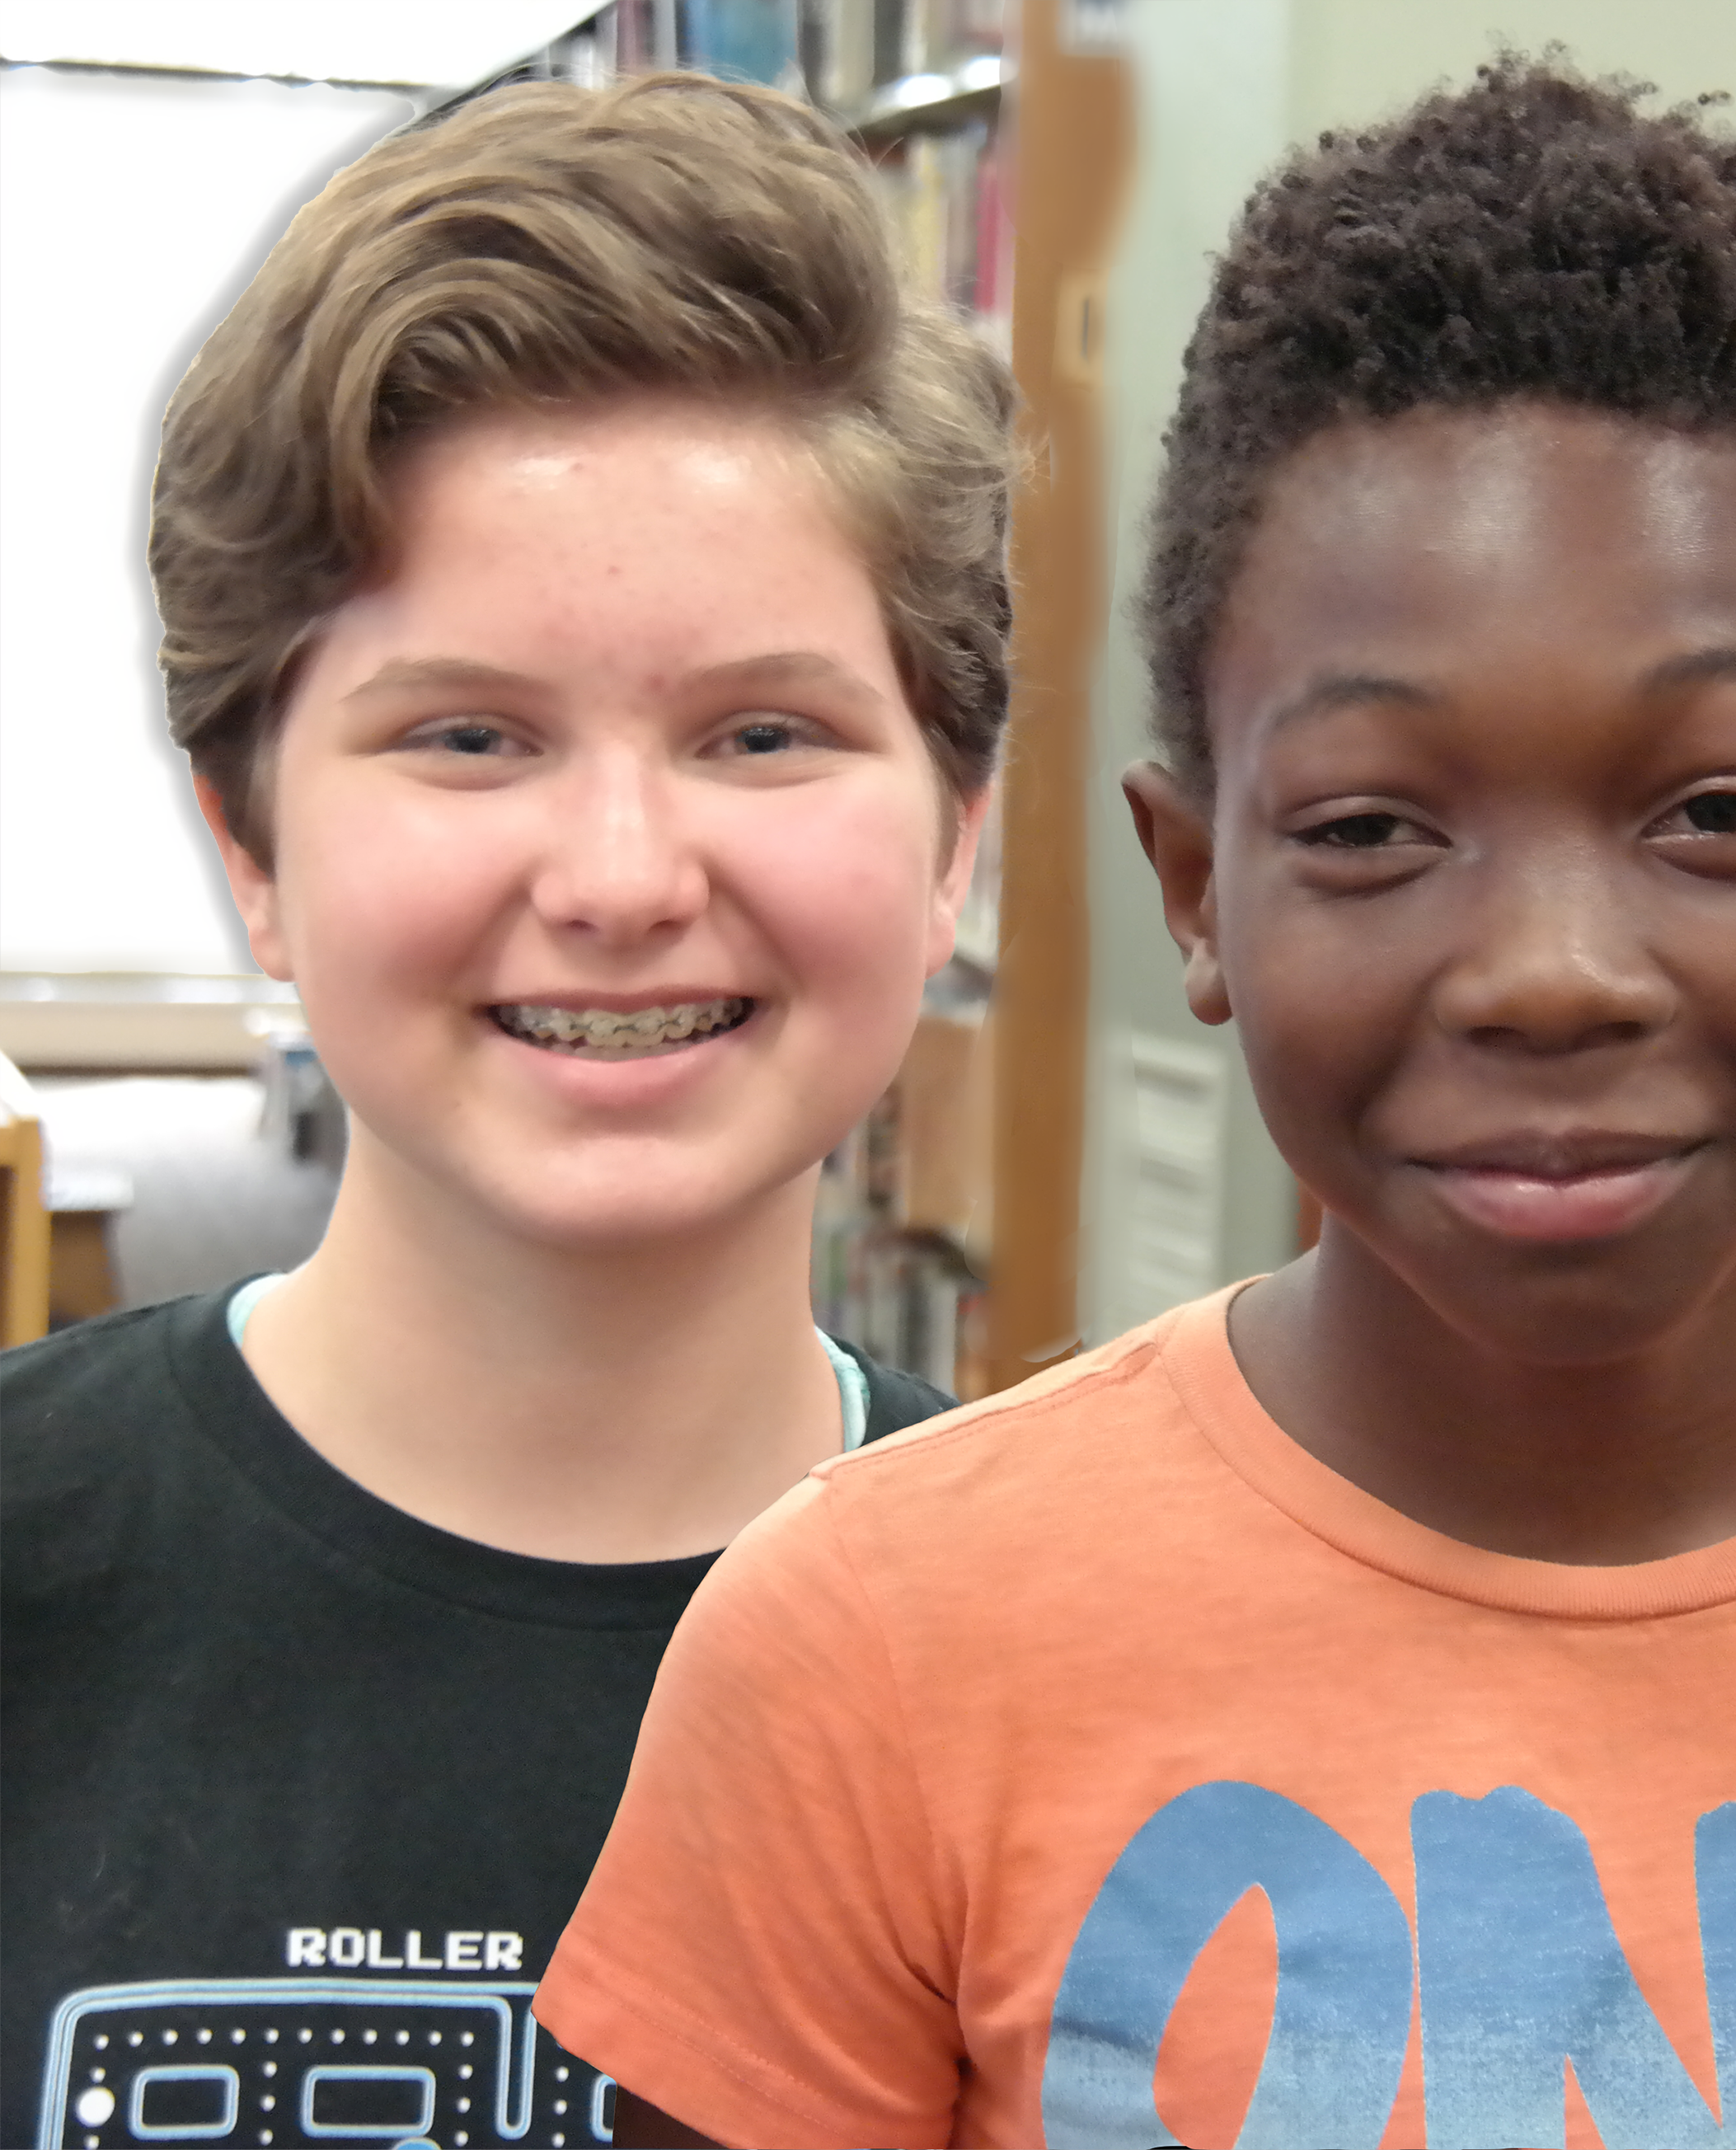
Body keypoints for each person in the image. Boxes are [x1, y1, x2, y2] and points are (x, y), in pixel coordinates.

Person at [536, 55, 1736, 2150]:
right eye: (1376, 826)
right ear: (1197, 888)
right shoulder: (874, 1640)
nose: (1551, 971)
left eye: (1719, 809)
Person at [0, 73, 1011, 2150]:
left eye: (761, 728)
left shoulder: (1100, 1650)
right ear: (250, 846)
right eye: (469, 734)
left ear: (952, 846)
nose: (625, 874)